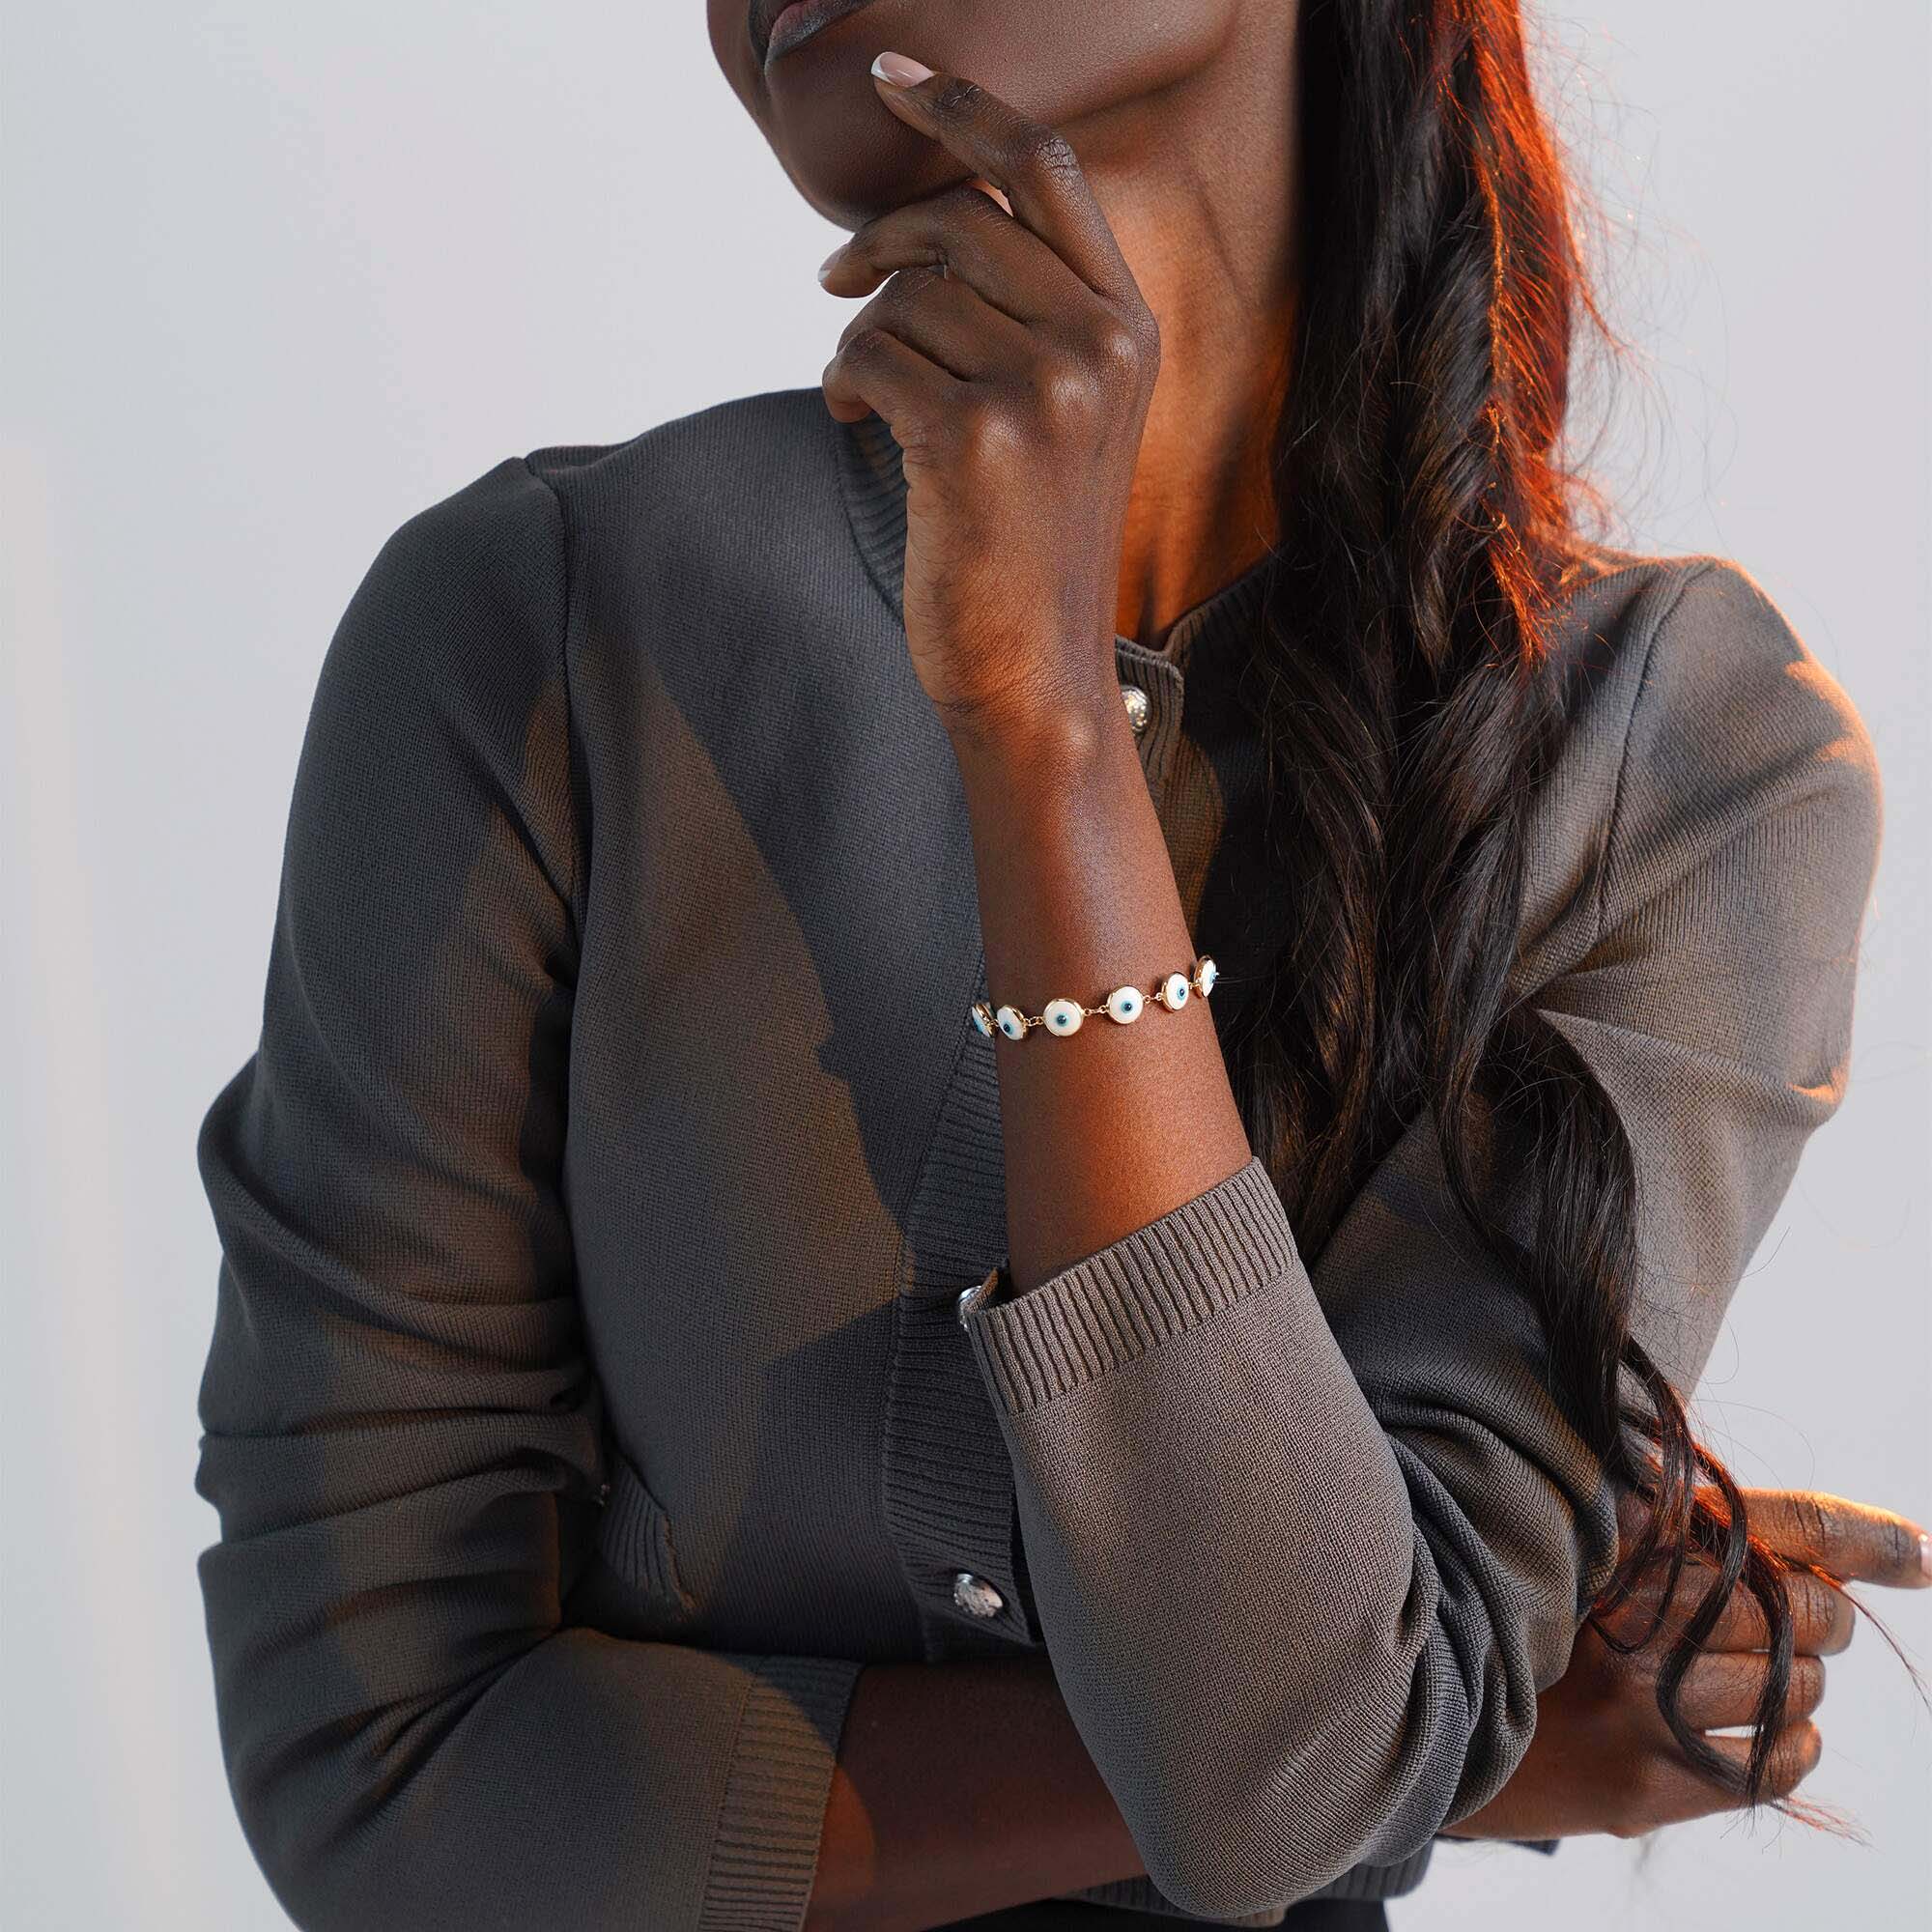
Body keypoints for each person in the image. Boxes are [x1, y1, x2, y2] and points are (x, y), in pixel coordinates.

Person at [191, 7, 1928, 1930]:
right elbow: (377, 1781)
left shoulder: (1682, 757)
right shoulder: (545, 627)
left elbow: (1288, 1769)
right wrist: (1434, 1752)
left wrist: (1048, 746)